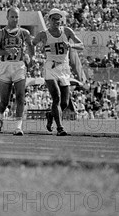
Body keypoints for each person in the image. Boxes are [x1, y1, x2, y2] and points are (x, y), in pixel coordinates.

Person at [33, 8, 84, 136]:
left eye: (58, 19)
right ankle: (60, 127)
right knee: (56, 97)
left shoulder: (67, 31)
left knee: (64, 103)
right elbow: (31, 43)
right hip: (50, 66)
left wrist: (71, 46)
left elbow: (81, 45)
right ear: (49, 20)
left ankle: (50, 115)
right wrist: (31, 55)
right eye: (54, 19)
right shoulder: (43, 34)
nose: (56, 21)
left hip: (64, 68)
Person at [0, 7, 34, 136]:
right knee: (4, 101)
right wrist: (6, 51)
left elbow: (31, 49)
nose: (15, 19)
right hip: (5, 66)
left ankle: (18, 127)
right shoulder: (1, 33)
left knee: (20, 96)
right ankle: (0, 115)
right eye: (12, 17)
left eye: (17, 17)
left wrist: (30, 56)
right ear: (7, 17)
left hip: (19, 66)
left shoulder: (24, 32)